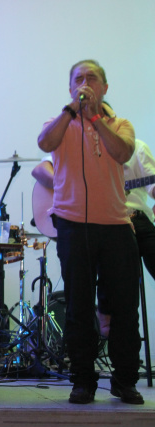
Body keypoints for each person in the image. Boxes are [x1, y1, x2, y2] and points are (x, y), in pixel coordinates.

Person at [37, 59, 143, 405]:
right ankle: (83, 380)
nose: (85, 84)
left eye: (91, 78)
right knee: (78, 307)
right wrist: (72, 111)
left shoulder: (120, 124)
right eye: (78, 79)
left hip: (115, 225)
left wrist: (96, 118)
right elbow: (43, 143)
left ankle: (125, 380)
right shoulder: (60, 124)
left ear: (104, 88)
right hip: (72, 224)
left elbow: (123, 152)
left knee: (124, 308)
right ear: (70, 88)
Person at [33, 138, 155, 338]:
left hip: (133, 217)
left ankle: (110, 314)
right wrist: (69, 187)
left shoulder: (135, 147)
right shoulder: (76, 146)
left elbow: (152, 185)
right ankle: (104, 314)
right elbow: (39, 170)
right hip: (87, 221)